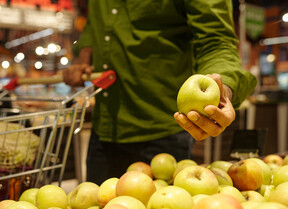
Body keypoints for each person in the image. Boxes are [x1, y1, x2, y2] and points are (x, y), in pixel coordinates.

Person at [63, 0, 257, 185]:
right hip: (104, 129)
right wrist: (84, 55)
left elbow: (217, 41)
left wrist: (221, 90)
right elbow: (97, 22)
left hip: (162, 134)